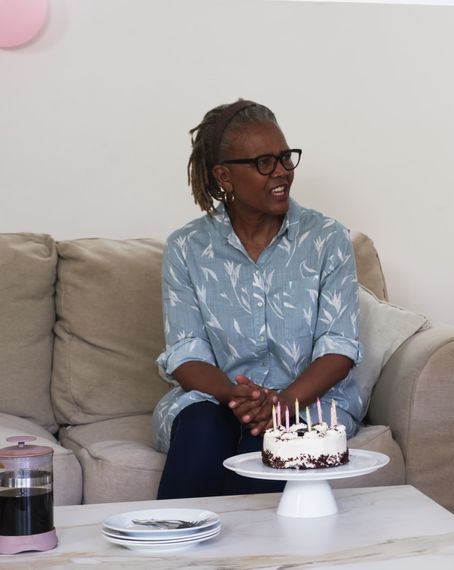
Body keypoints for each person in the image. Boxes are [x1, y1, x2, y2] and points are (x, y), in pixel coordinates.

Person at [152, 99, 363, 499]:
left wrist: (281, 404)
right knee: (201, 429)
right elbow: (185, 352)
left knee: (267, 446)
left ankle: (251, 558)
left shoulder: (327, 238)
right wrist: (235, 396)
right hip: (219, 399)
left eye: (286, 158)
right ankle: (171, 551)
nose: (282, 171)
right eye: (265, 162)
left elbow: (339, 348)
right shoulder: (187, 247)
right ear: (224, 176)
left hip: (307, 402)